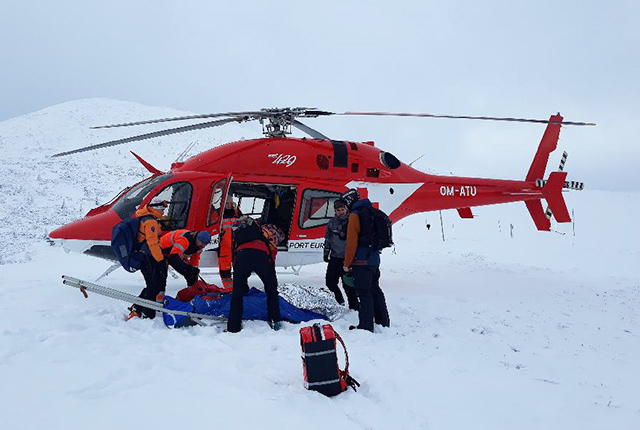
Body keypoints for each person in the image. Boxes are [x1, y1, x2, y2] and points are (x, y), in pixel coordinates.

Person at [342, 189, 390, 332]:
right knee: (375, 290)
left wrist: (347, 263)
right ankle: (383, 321)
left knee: (364, 293)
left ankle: (365, 326)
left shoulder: (355, 216)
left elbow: (351, 242)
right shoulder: (371, 212)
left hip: (361, 261)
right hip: (374, 259)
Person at [227, 217, 282, 333]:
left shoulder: (240, 234)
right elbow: (272, 252)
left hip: (242, 256)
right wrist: (271, 273)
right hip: (260, 255)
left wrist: (242, 282)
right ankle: (275, 321)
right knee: (271, 291)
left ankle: (233, 327)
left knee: (236, 294)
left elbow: (234, 253)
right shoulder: (267, 234)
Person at [128, 201, 167, 320]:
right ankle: (147, 313)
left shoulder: (145, 218)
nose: (163, 212)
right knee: (153, 285)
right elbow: (153, 243)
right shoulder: (151, 222)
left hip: (144, 256)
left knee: (151, 285)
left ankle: (138, 309)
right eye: (162, 210)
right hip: (148, 258)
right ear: (157, 209)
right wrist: (160, 260)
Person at [323, 199, 359, 310]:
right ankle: (339, 301)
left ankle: (354, 307)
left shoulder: (352, 221)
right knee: (330, 282)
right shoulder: (332, 223)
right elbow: (328, 239)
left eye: (342, 209)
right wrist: (326, 252)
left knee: (347, 284)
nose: (340, 212)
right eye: (338, 210)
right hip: (334, 257)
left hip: (347, 258)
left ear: (346, 209)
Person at [218, 196, 242, 290]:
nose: (229, 205)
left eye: (230, 203)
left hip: (236, 244)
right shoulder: (218, 214)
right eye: (227, 203)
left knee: (240, 268)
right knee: (225, 270)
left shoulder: (237, 213)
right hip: (224, 246)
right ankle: (229, 289)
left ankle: (240, 288)